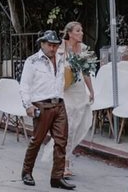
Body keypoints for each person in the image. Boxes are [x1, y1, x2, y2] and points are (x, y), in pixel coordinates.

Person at [20, 30, 75, 190]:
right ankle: (26, 172)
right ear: (42, 44)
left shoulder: (61, 59)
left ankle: (57, 177)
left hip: (59, 103)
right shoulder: (32, 61)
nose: (52, 48)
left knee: (61, 141)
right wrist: (28, 105)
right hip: (41, 104)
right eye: (50, 45)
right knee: (37, 139)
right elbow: (24, 85)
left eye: (55, 45)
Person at [40, 22, 94, 178]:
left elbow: (86, 72)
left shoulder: (83, 49)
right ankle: (63, 163)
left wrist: (91, 91)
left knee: (77, 127)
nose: (82, 33)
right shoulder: (61, 47)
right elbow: (52, 67)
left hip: (79, 92)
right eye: (78, 30)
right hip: (66, 92)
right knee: (67, 129)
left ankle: (66, 160)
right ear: (70, 33)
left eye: (82, 30)